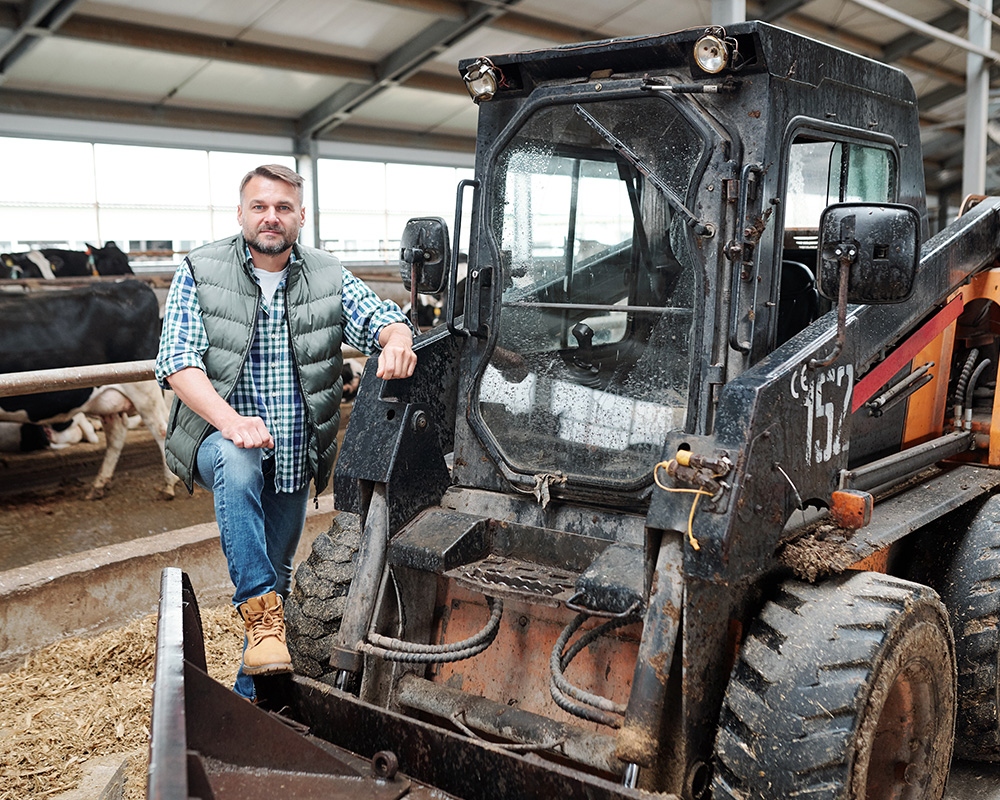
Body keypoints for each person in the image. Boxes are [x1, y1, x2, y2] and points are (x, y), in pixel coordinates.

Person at [155, 164, 416, 701]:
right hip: (216, 441)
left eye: (283, 208)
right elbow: (178, 362)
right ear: (241, 213)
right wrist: (232, 423)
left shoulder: (326, 274)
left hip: (295, 454)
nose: (270, 217)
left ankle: (253, 702)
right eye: (259, 206)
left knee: (280, 574)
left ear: (301, 216)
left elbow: (379, 317)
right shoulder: (200, 269)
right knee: (238, 459)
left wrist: (396, 337)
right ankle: (260, 617)